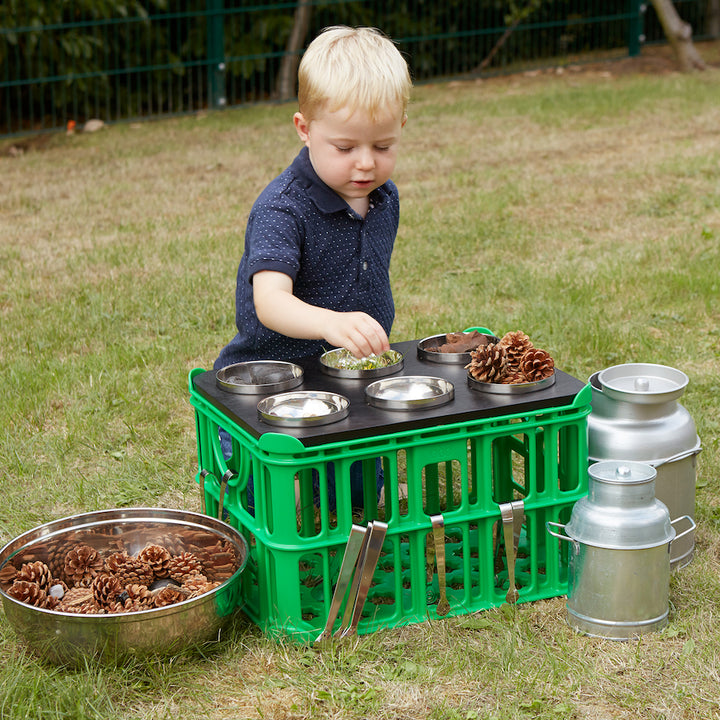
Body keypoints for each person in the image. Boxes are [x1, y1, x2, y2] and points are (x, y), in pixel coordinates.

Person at [214, 25, 413, 509]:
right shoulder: (283, 208)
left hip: (345, 376)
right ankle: (244, 482)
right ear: (305, 129)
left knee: (360, 496)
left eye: (382, 146)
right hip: (268, 382)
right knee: (257, 495)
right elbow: (270, 302)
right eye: (345, 148)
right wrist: (330, 322)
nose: (366, 164)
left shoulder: (384, 199)